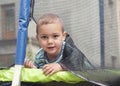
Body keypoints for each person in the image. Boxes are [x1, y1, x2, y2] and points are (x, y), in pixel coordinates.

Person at [24, 13, 94, 76]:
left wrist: (61, 66)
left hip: (89, 79)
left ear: (63, 36)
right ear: (38, 38)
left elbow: (77, 61)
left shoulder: (68, 48)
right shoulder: (40, 56)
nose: (50, 41)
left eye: (55, 36)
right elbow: (43, 73)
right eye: (44, 37)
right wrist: (34, 69)